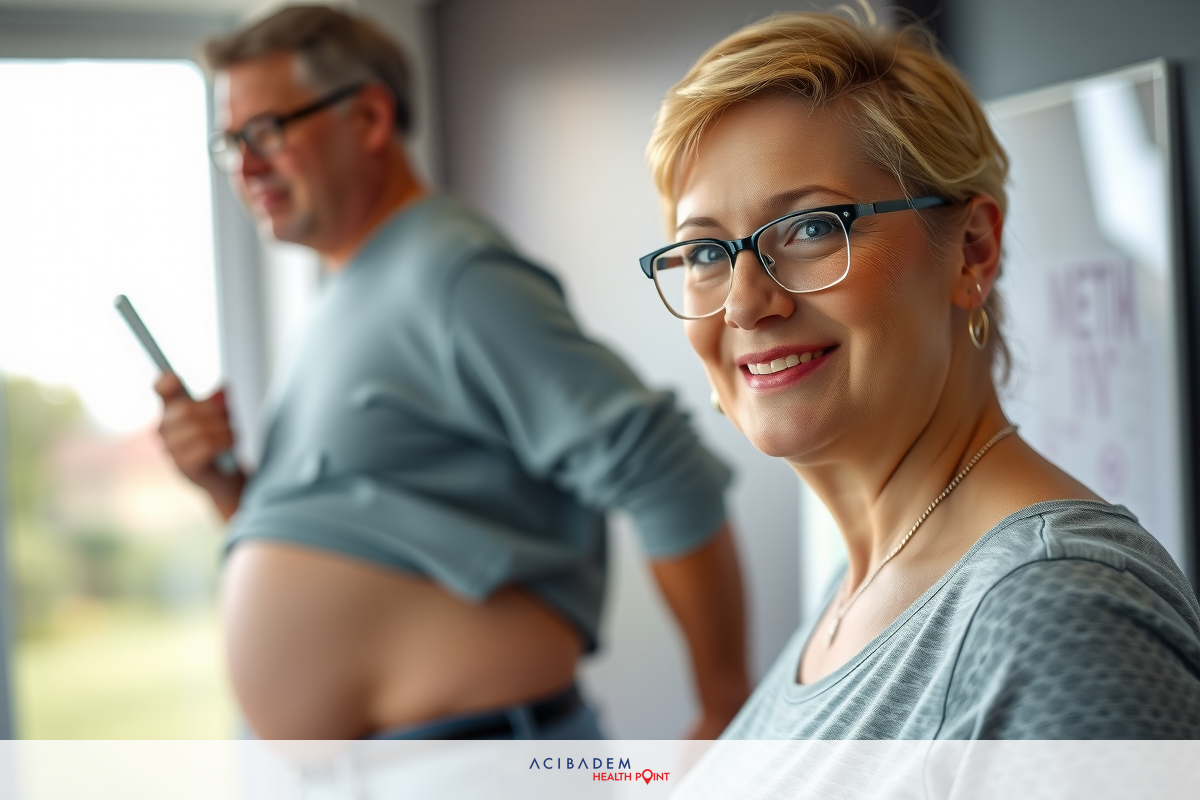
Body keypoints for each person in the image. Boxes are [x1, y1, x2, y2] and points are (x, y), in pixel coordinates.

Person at [155, 4, 749, 740]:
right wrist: (227, 492)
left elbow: (663, 471)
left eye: (267, 132)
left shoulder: (452, 272)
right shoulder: (341, 294)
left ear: (370, 118)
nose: (245, 166)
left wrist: (725, 713)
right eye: (232, 141)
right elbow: (357, 530)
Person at [637, 7, 1200, 751]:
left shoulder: (1054, 611)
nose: (745, 302)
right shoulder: (861, 588)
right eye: (705, 252)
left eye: (812, 228)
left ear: (971, 250)